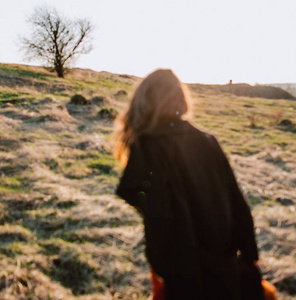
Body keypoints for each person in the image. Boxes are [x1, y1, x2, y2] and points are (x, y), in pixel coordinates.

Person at [113, 69, 264, 300]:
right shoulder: (207, 142)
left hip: (180, 270)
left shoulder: (148, 147)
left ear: (145, 102)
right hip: (223, 262)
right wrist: (249, 255)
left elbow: (136, 194)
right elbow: (237, 202)